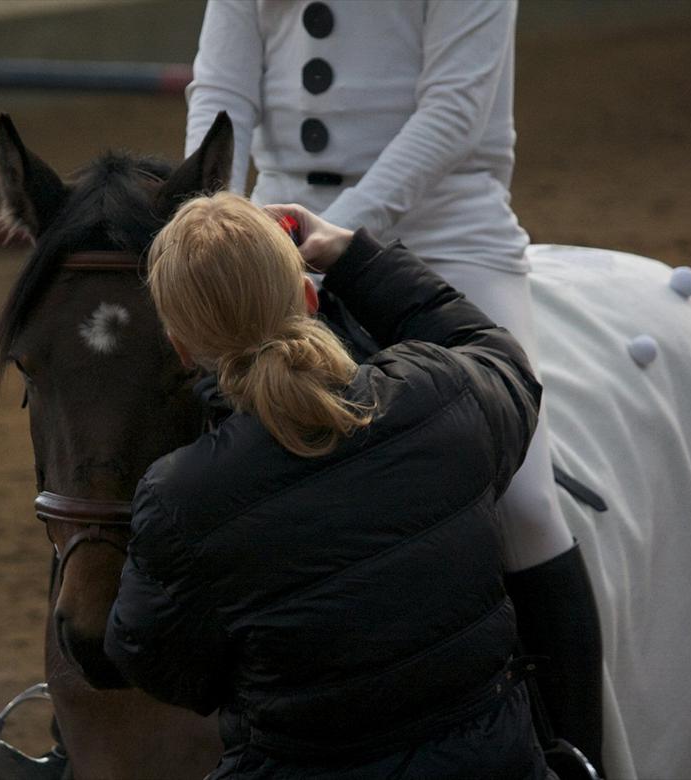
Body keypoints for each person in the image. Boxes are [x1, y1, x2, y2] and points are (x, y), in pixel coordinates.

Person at [184, 1, 604, 768]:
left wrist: (331, 245)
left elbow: (453, 113)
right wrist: (210, 225)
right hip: (270, 229)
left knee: (529, 504)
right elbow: (221, 95)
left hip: (445, 234)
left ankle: (578, 753)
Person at [102, 193, 550, 779]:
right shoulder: (438, 391)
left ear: (183, 349)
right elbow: (503, 362)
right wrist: (354, 257)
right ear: (310, 300)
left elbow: (149, 658)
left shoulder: (179, 497)